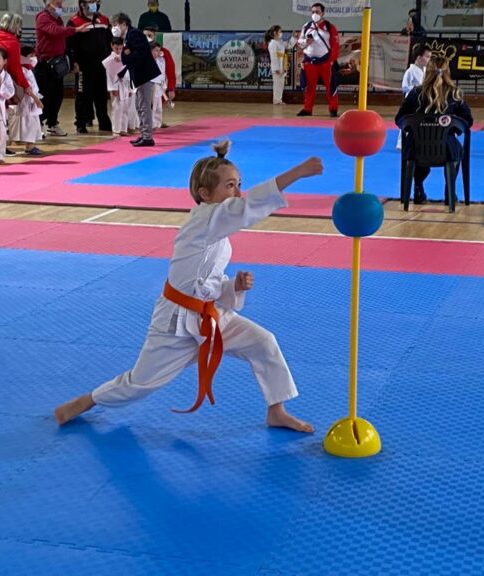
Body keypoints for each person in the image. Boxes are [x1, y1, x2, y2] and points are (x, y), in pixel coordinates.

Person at [54, 141, 322, 433]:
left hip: (209, 316)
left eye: (239, 184)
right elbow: (248, 207)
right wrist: (298, 172)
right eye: (230, 186)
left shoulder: (217, 229)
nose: (237, 192)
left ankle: (277, 411)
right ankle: (87, 400)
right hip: (175, 323)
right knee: (140, 384)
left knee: (264, 342)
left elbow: (206, 281)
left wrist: (232, 286)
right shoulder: (206, 219)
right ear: (205, 194)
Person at [395, 56, 473, 204]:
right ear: (447, 72)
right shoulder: (455, 94)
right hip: (446, 149)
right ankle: (449, 191)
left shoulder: (415, 93)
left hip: (416, 149)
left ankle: (418, 188)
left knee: (416, 147)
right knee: (456, 150)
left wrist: (413, 128)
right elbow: (468, 120)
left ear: (427, 72)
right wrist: (454, 129)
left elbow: (400, 119)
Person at [35, 0, 91, 137]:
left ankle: (52, 124)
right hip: (45, 64)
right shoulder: (42, 17)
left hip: (58, 64)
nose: (61, 5)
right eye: (58, 3)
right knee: (45, 96)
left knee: (58, 95)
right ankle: (38, 124)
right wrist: (76, 29)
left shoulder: (58, 18)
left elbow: (62, 38)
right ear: (49, 4)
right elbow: (55, 31)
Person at [112, 12, 160, 147]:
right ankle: (144, 134)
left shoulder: (134, 34)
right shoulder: (127, 37)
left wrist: (125, 57)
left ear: (123, 24)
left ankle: (147, 137)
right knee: (140, 106)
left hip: (144, 74)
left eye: (115, 25)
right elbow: (130, 55)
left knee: (144, 106)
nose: (114, 28)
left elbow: (140, 53)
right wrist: (122, 69)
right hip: (139, 75)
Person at [67, 0, 112, 134]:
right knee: (82, 95)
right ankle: (81, 122)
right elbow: (69, 44)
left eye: (97, 1)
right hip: (83, 65)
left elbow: (109, 41)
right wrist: (73, 62)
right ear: (82, 4)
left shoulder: (104, 20)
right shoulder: (74, 21)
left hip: (101, 65)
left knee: (101, 94)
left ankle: (104, 122)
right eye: (91, 1)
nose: (95, 4)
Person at [296, 2, 339, 118]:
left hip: (325, 62)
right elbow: (299, 42)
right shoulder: (306, 26)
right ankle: (307, 109)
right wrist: (306, 42)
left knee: (330, 86)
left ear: (323, 13)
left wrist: (331, 60)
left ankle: (333, 108)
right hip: (309, 62)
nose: (315, 14)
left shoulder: (329, 27)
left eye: (317, 12)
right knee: (309, 87)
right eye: (313, 12)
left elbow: (335, 46)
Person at [396, 43, 431, 149]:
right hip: (411, 100)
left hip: (422, 100)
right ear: (419, 57)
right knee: (408, 120)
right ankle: (401, 143)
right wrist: (416, 90)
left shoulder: (425, 70)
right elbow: (405, 87)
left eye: (430, 57)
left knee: (420, 121)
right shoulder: (410, 71)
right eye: (427, 57)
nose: (429, 59)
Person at [143, 26, 176, 123]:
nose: (147, 38)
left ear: (155, 36)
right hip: (143, 84)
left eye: (149, 35)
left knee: (157, 107)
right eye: (145, 36)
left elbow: (170, 71)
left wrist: (171, 88)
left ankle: (157, 123)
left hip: (159, 85)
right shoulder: (139, 51)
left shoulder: (164, 52)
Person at [103, 37, 134, 136]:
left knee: (125, 108)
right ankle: (116, 130)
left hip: (125, 85)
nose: (118, 50)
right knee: (117, 109)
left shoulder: (124, 58)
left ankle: (123, 129)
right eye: (116, 48)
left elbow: (129, 73)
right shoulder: (109, 60)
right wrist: (113, 89)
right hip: (116, 86)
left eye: (120, 48)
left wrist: (130, 89)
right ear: (112, 46)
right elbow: (110, 76)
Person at [18, 45, 44, 155]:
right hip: (28, 99)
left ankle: (31, 145)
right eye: (31, 55)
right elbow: (27, 88)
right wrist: (37, 100)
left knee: (33, 123)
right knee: (30, 123)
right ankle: (29, 146)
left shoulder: (28, 69)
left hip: (32, 99)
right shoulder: (22, 70)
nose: (33, 58)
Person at [266, 25, 286, 105]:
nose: (281, 33)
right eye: (280, 31)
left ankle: (279, 99)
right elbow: (273, 57)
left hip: (282, 64)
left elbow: (288, 45)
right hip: (277, 66)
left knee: (281, 84)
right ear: (275, 33)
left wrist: (294, 38)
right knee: (277, 84)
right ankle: (276, 100)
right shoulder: (272, 44)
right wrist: (276, 68)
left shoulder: (280, 42)